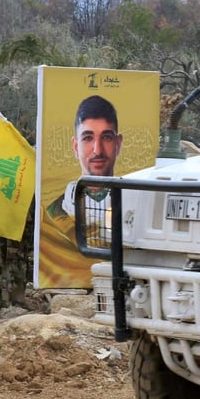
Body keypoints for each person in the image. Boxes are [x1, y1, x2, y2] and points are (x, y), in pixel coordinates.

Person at [39, 94, 122, 287]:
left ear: (118, 144)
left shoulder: (133, 206)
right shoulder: (55, 213)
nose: (97, 150)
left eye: (106, 137)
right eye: (88, 138)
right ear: (76, 146)